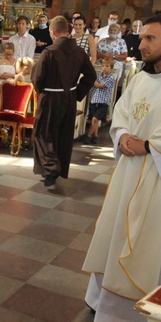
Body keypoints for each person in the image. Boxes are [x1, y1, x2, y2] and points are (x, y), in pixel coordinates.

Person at [83, 14, 161, 322]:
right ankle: (107, 307)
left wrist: (149, 146)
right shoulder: (143, 77)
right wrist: (123, 135)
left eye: (150, 39)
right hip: (129, 173)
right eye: (141, 39)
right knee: (117, 234)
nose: (140, 45)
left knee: (154, 248)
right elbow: (124, 110)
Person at [32, 15, 96, 190]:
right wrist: (76, 93)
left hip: (50, 98)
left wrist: (43, 92)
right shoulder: (80, 52)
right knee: (62, 134)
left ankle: (51, 169)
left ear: (53, 32)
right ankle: (54, 170)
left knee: (44, 134)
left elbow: (37, 78)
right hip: (69, 99)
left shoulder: (49, 52)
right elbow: (91, 76)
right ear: (67, 32)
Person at [83, 58, 116, 145]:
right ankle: (96, 136)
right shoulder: (99, 75)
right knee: (95, 120)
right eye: (103, 66)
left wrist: (93, 81)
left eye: (107, 66)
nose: (104, 68)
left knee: (95, 119)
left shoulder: (111, 78)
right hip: (95, 99)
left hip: (103, 102)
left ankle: (89, 135)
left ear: (111, 68)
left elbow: (100, 85)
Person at [0, 42, 16, 109]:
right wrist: (0, 76)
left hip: (10, 85)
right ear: (3, 52)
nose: (8, 56)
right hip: (0, 84)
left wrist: (10, 75)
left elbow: (18, 76)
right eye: (6, 54)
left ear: (13, 52)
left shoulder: (15, 62)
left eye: (10, 54)